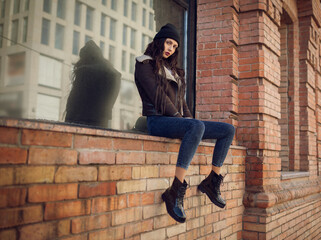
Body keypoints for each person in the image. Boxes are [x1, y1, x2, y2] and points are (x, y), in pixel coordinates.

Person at [134, 23, 235, 223]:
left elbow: (182, 103)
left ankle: (212, 182)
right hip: (157, 120)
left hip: (176, 121)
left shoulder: (176, 72)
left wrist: (188, 119)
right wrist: (187, 123)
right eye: (168, 43)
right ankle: (175, 189)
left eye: (174, 46)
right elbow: (157, 96)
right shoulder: (144, 64)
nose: (170, 48)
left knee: (227, 130)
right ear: (159, 42)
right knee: (195, 126)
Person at [65, 40, 121, 128]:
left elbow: (74, 102)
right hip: (102, 122)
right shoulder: (114, 75)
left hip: (80, 121)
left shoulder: (84, 71)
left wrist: (67, 123)